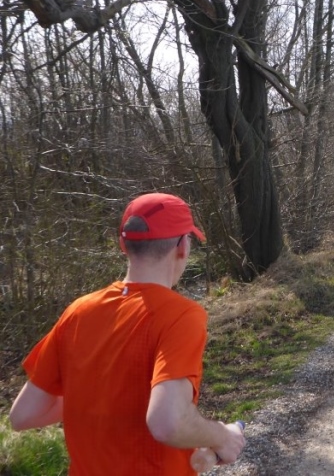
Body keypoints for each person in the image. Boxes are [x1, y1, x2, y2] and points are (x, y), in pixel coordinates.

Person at [9, 193, 246, 475]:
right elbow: (167, 423)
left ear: (123, 245)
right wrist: (222, 436)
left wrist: (101, 394)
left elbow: (23, 415)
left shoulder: (78, 311)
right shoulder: (181, 316)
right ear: (183, 246)